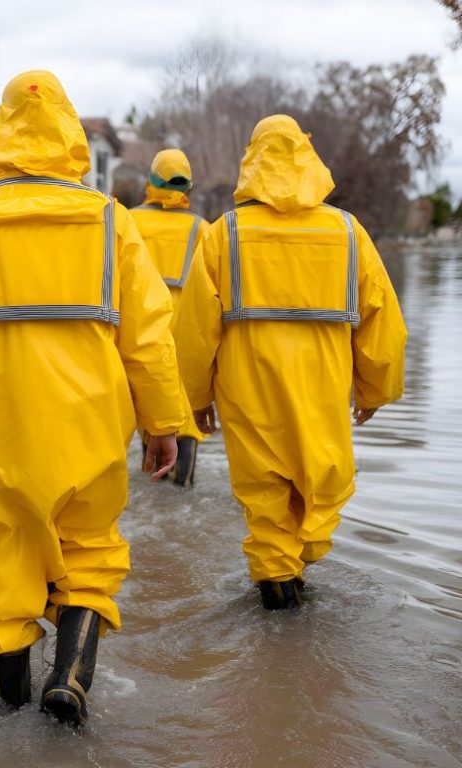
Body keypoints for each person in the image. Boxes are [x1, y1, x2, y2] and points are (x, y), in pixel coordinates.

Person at [0, 70, 185, 725]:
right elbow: (148, 336)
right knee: (89, 549)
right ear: (71, 136)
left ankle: (6, 710)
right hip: (90, 420)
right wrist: (163, 423)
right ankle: (71, 681)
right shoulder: (109, 220)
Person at [176, 114, 407, 610]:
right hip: (324, 389)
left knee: (265, 493)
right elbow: (382, 320)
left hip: (248, 390)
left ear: (251, 160)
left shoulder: (223, 235)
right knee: (321, 483)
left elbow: (194, 331)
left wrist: (194, 400)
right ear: (308, 157)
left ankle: (277, 583)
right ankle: (290, 581)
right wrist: (374, 390)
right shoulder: (349, 233)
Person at [130, 149, 216, 485]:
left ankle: (151, 476)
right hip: (186, 325)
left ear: (149, 182)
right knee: (185, 411)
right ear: (188, 188)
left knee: (147, 401)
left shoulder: (126, 220)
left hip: (140, 321)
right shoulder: (203, 229)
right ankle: (183, 485)